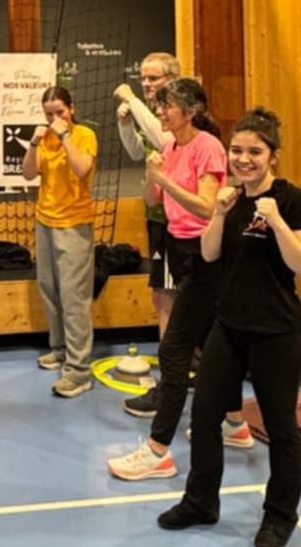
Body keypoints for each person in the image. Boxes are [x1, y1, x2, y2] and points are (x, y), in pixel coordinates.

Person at [157, 108, 301, 547]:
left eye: (255, 152)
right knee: (206, 415)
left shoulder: (292, 201)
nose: (244, 159)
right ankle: (200, 502)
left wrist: (277, 222)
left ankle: (279, 517)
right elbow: (209, 255)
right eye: (237, 150)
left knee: (281, 427)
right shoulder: (231, 198)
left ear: (273, 156)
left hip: (278, 333)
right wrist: (218, 215)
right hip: (228, 329)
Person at [106, 78, 253, 481]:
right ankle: (236, 424)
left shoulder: (207, 146)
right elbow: (156, 199)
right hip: (177, 246)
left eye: (167, 106)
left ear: (190, 112)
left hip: (206, 253)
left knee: (173, 351)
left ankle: (158, 452)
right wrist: (153, 174)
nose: (161, 112)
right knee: (211, 341)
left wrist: (166, 180)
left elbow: (208, 207)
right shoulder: (170, 146)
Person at [23, 86, 99, 398]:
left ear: (72, 108)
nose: (54, 118)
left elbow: (82, 169)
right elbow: (29, 174)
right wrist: (34, 142)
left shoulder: (83, 135)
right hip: (45, 219)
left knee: (73, 297)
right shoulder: (45, 139)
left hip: (75, 223)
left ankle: (79, 371)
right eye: (49, 113)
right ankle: (60, 348)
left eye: (60, 112)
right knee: (49, 288)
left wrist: (65, 134)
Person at [113, 53, 178, 417]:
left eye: (154, 78)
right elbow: (140, 149)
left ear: (173, 77)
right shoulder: (156, 116)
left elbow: (163, 141)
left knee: (166, 299)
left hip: (177, 221)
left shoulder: (177, 117)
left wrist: (133, 102)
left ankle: (169, 386)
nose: (147, 84)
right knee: (162, 296)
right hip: (157, 217)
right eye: (143, 79)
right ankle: (177, 373)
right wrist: (125, 122)